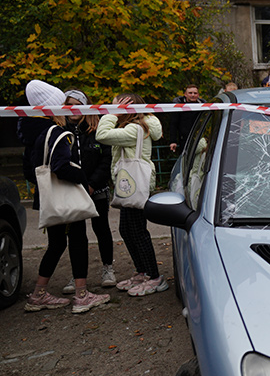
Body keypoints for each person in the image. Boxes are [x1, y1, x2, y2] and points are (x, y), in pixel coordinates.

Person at [17, 80, 110, 313]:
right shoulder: (56, 132)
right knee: (78, 240)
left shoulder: (33, 134)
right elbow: (62, 166)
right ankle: (82, 295)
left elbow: (28, 170)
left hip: (49, 197)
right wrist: (82, 178)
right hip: (66, 197)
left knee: (56, 244)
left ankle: (38, 294)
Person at [96, 93, 168, 297]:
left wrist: (111, 113)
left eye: (116, 106)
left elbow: (101, 135)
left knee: (137, 231)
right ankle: (143, 271)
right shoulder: (135, 127)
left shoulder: (134, 129)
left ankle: (154, 277)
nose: (112, 109)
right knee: (127, 230)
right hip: (129, 184)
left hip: (135, 185)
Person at [61, 89, 116, 291]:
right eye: (68, 104)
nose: (73, 109)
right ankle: (78, 276)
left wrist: (92, 184)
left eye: (77, 104)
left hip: (97, 189)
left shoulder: (97, 129)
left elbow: (106, 159)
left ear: (86, 106)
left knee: (101, 228)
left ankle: (108, 268)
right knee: (76, 234)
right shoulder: (60, 130)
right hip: (72, 191)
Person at [169, 84, 203, 154]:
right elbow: (173, 124)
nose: (193, 95)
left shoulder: (203, 106)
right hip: (184, 139)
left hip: (200, 138)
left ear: (198, 95)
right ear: (185, 94)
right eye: (190, 93)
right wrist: (173, 141)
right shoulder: (178, 106)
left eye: (195, 93)